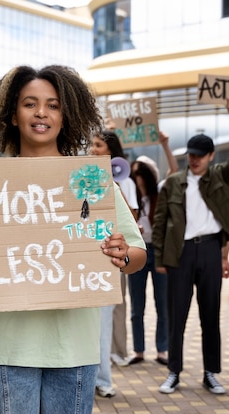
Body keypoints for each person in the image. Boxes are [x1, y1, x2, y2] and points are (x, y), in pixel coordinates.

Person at [0, 65, 146, 414]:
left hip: (74, 350)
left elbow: (137, 254)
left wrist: (122, 255)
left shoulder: (90, 180)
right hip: (5, 353)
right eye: (30, 103)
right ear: (13, 115)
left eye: (53, 105)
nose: (41, 112)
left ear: (66, 115)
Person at [152, 101, 229, 395]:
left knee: (210, 314)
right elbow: (160, 222)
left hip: (209, 250)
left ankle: (211, 373)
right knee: (176, 314)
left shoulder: (220, 175)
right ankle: (173, 372)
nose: (193, 160)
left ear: (210, 156)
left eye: (199, 156)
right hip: (179, 254)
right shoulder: (173, 183)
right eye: (190, 155)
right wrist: (159, 257)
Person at [89, 130, 139, 397]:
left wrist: (116, 191)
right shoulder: (85, 178)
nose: (93, 149)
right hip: (87, 256)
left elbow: (131, 221)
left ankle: (103, 380)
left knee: (104, 321)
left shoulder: (125, 182)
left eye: (98, 145)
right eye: (92, 145)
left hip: (110, 258)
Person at [127, 132, 178, 367]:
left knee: (163, 304)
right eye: (134, 174)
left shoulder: (160, 193)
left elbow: (174, 172)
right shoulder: (130, 198)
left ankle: (163, 350)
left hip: (157, 251)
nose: (137, 178)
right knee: (137, 305)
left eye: (140, 173)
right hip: (137, 250)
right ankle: (138, 350)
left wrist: (165, 145)